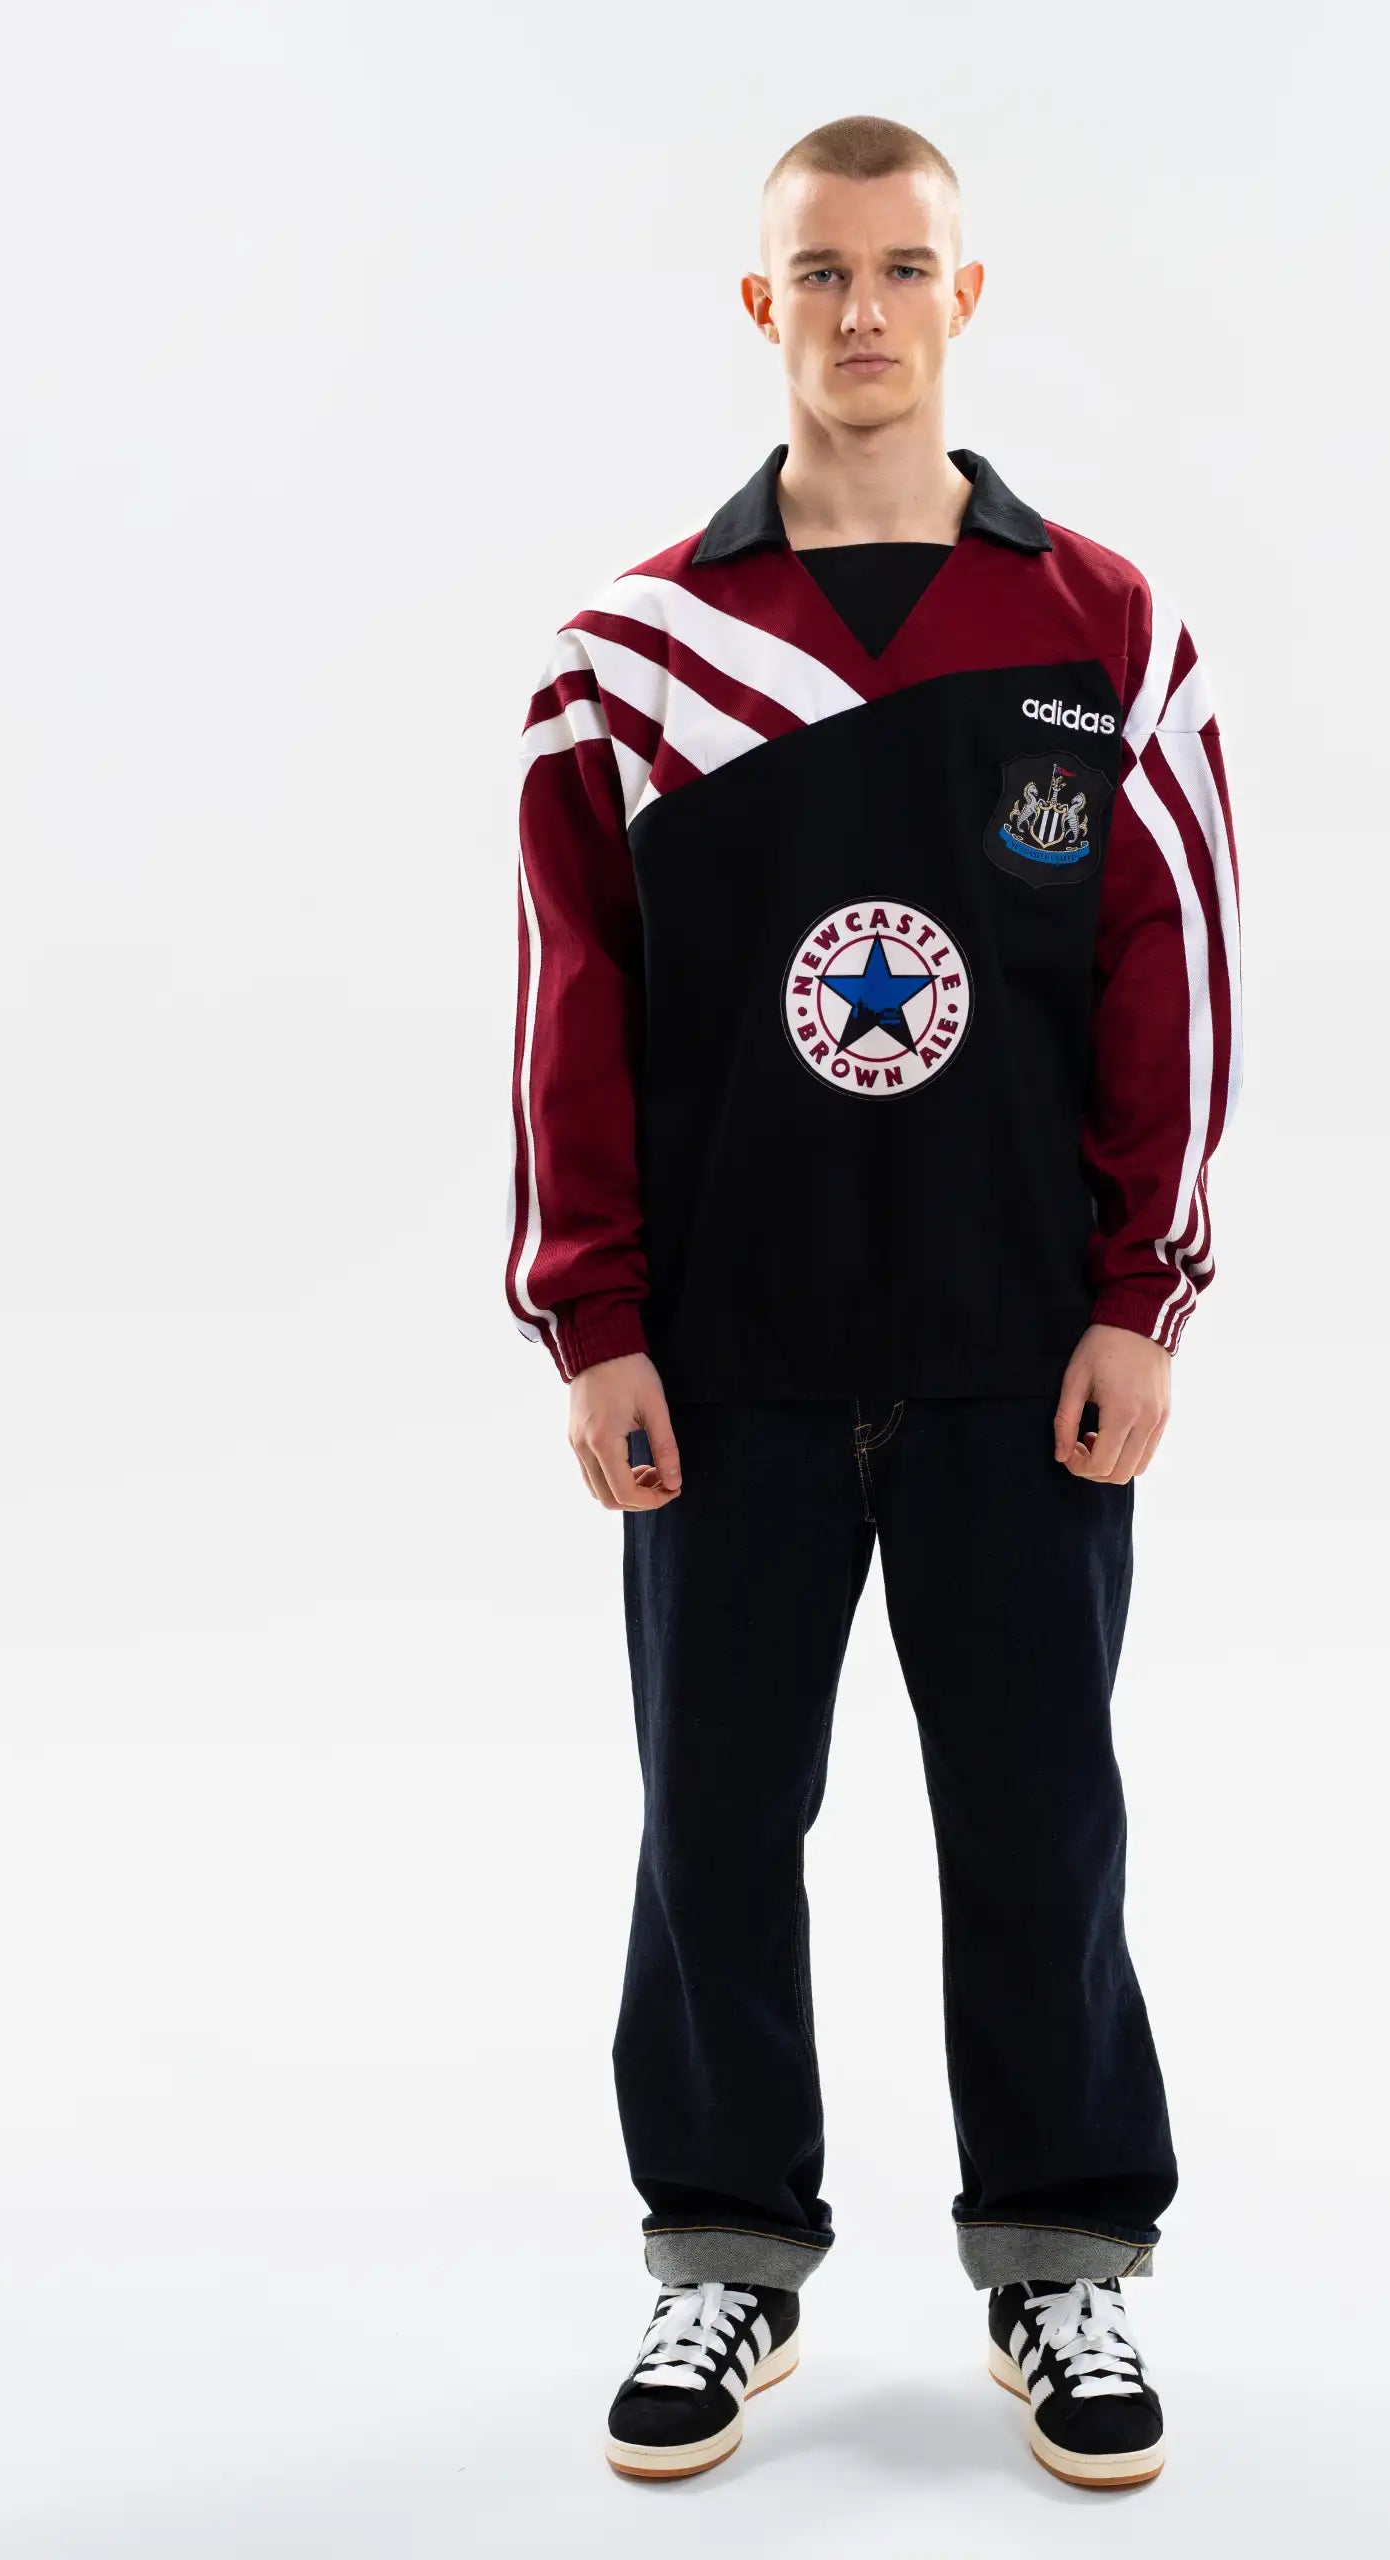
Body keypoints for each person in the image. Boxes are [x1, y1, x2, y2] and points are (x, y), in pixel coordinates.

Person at [503, 112, 1243, 2492]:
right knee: (715, 1820)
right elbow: (571, 1008)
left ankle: (1064, 2261)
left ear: (962, 297)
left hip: (1016, 1357)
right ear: (761, 308)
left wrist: (1142, 1294)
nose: (859, 310)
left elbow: (1172, 981)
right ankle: (724, 2244)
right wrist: (593, 1319)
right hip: (724, 1367)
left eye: (901, 267)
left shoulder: (1106, 631)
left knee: (1039, 1816)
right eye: (816, 271)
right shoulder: (634, 656)